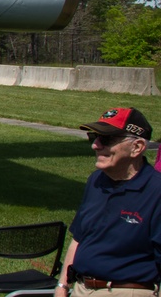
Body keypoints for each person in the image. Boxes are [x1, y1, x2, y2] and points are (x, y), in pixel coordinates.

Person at [54, 108, 161, 297]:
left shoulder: (155, 191)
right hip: (80, 287)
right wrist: (62, 287)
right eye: (93, 137)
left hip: (126, 290)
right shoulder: (96, 181)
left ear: (136, 147)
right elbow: (79, 239)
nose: (95, 145)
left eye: (106, 139)